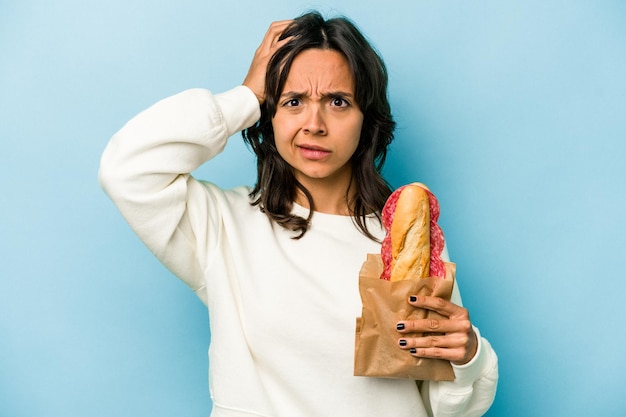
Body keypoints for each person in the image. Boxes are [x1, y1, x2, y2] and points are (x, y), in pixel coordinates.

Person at [99, 11, 498, 417]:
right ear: (269, 115)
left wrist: (467, 357)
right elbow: (126, 168)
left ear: (367, 118)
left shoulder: (406, 237)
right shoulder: (222, 225)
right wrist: (247, 95)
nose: (314, 124)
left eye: (338, 102)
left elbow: (447, 406)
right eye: (292, 102)